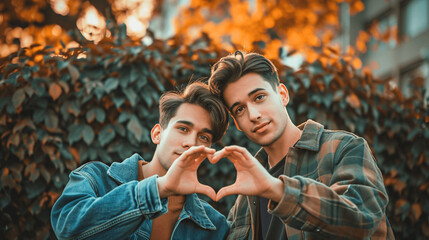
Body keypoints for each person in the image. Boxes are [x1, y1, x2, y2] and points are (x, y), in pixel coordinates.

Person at [208, 50, 394, 239]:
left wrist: (278, 191)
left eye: (259, 97)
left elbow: (363, 219)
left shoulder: (342, 148)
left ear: (282, 95)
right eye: (240, 109)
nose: (253, 115)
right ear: (237, 123)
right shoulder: (244, 199)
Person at [51, 82, 230, 239]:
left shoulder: (213, 226)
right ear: (157, 134)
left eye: (204, 137)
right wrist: (158, 189)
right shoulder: (96, 180)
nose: (191, 143)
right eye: (183, 128)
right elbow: (68, 230)